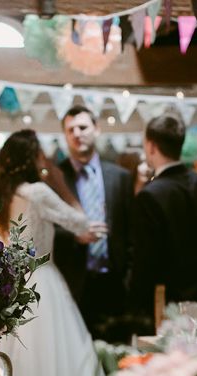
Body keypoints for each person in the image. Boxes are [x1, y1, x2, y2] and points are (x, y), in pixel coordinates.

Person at [0, 129, 103, 376]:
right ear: (34, 158)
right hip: (41, 281)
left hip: (9, 285)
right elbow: (81, 223)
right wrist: (59, 182)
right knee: (53, 357)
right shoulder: (38, 192)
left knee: (15, 358)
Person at [129, 113, 197, 327]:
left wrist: (136, 303)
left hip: (168, 307)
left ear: (151, 146)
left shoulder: (150, 195)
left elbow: (145, 261)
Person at [53, 105, 133, 341]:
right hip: (76, 282)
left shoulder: (120, 177)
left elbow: (131, 231)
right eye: (71, 130)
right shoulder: (56, 178)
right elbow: (48, 229)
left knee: (119, 357)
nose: (77, 133)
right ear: (65, 136)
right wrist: (75, 235)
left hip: (116, 282)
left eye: (83, 127)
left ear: (96, 130)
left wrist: (129, 277)